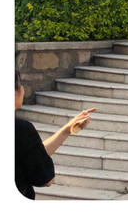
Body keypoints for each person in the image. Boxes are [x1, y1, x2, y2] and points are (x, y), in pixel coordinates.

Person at [15, 69, 95, 199]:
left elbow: (33, 153)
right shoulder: (21, 130)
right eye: (20, 85)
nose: (23, 89)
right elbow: (46, 179)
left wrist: (67, 129)